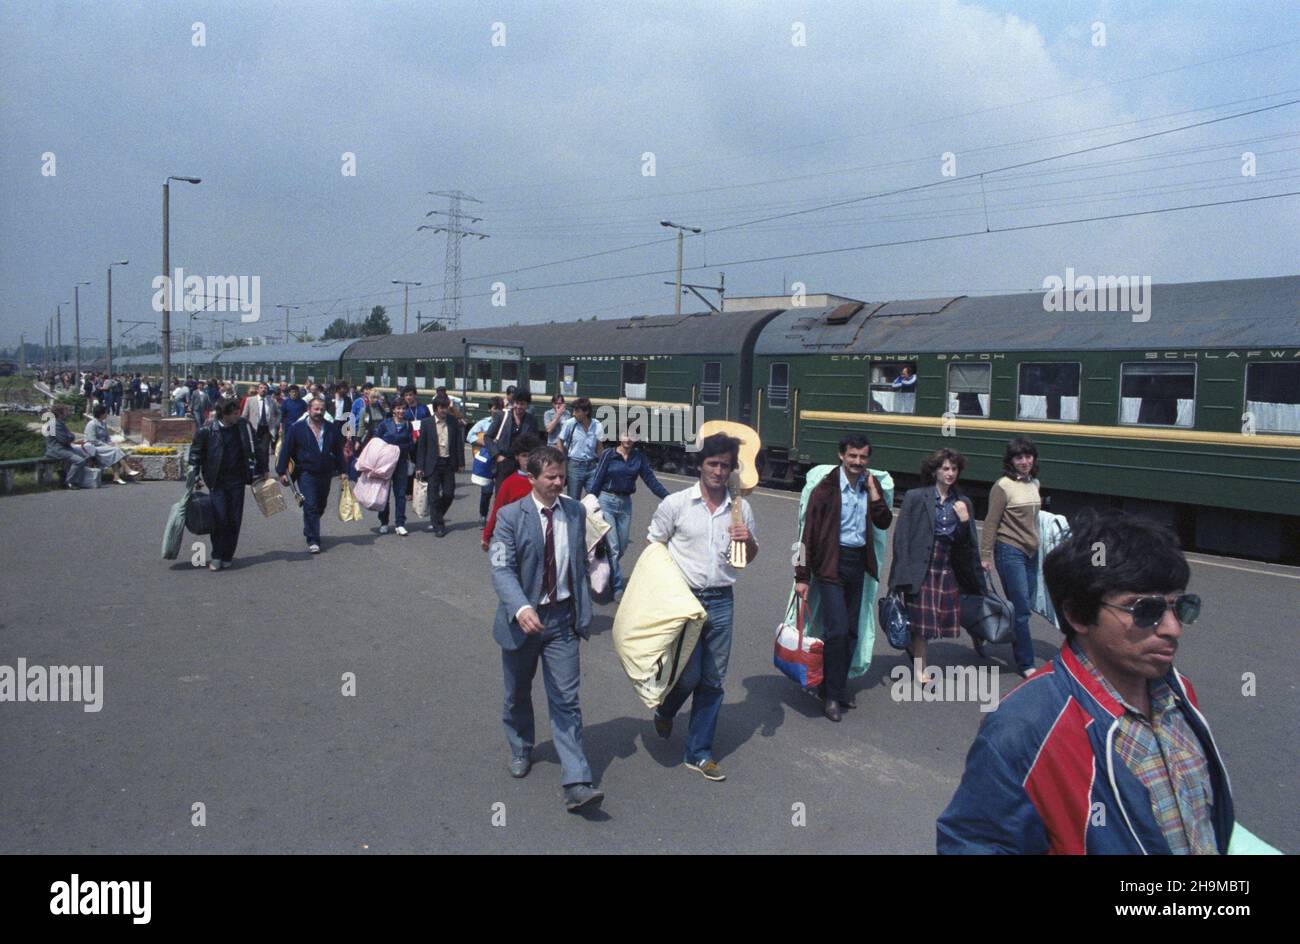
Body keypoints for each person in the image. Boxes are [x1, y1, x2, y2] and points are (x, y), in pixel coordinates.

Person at [937, 509, 1231, 855]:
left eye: (1180, 606)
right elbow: (973, 844)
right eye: (1145, 610)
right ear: (1077, 614)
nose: (1172, 628)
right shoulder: (1023, 727)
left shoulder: (1178, 692)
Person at [488, 444, 603, 813]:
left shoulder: (575, 511)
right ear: (532, 478)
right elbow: (500, 567)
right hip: (523, 622)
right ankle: (521, 747)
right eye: (551, 477)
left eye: (562, 475)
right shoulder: (509, 516)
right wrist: (520, 606)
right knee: (517, 692)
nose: (559, 482)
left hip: (562, 620)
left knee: (567, 700)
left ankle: (577, 780)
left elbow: (584, 561)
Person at [646, 432, 757, 782]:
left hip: (722, 600)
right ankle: (666, 708)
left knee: (713, 680)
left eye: (725, 465)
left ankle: (699, 753)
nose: (719, 471)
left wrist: (748, 542)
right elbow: (654, 550)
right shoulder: (676, 505)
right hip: (684, 601)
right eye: (713, 463)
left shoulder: (741, 509)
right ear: (700, 465)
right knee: (688, 673)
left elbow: (746, 559)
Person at [794, 433, 892, 721]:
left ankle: (832, 687)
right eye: (852, 456)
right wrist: (801, 575)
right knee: (836, 630)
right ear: (841, 455)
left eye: (863, 457)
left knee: (851, 631)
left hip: (857, 563)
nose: (857, 462)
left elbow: (884, 522)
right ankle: (831, 696)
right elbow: (805, 534)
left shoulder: (867, 486)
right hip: (830, 564)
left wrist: (874, 491)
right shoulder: (825, 489)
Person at [888, 448, 983, 673]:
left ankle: (912, 648)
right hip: (921, 567)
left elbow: (967, 543)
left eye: (954, 469)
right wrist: (900, 575)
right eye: (945, 468)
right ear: (935, 472)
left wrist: (964, 520)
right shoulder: (915, 497)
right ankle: (921, 669)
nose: (950, 473)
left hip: (946, 567)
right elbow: (901, 538)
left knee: (934, 620)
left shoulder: (963, 502)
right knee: (923, 624)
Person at [981, 436, 1043, 678]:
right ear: (1011, 461)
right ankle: (1026, 662)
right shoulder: (1002, 486)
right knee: (1021, 610)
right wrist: (985, 555)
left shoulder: (1034, 483)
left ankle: (989, 628)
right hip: (1010, 550)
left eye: (1028, 456)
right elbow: (990, 523)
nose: (1025, 461)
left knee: (1024, 604)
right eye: (1019, 457)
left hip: (1031, 551)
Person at [585, 432, 668, 599]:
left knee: (622, 546)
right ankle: (616, 587)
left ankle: (607, 569)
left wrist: (669, 497)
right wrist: (590, 501)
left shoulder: (639, 458)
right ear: (619, 436)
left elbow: (651, 481)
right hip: (606, 501)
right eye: (625, 434)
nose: (628, 439)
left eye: (632, 435)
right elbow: (598, 478)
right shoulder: (609, 454)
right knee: (614, 547)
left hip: (625, 505)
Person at [188, 398, 259, 571]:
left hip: (237, 480)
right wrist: (194, 475)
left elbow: (256, 447)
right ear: (224, 415)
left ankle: (228, 554)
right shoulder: (207, 430)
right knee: (219, 518)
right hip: (217, 480)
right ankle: (217, 555)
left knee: (234, 519)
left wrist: (261, 470)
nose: (238, 415)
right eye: (234, 413)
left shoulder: (243, 426)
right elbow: (195, 454)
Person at [277, 396, 347, 554]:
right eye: (316, 409)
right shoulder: (297, 428)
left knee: (320, 505)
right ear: (308, 410)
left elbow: (338, 451)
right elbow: (286, 450)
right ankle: (313, 540)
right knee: (311, 505)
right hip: (306, 472)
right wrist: (282, 472)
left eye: (322, 409)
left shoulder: (331, 428)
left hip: (325, 472)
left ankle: (309, 527)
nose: (319, 412)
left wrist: (343, 470)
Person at [414, 396, 464, 537]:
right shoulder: (427, 423)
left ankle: (437, 516)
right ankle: (439, 526)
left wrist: (461, 462)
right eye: (441, 408)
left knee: (449, 494)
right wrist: (419, 466)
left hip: (448, 462)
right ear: (436, 408)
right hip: (432, 464)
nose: (444, 410)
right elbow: (421, 447)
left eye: (446, 407)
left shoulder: (452, 421)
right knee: (433, 496)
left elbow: (458, 443)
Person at [482, 434, 542, 549]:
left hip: (539, 533)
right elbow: (497, 510)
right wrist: (486, 535)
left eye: (531, 455)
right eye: (524, 456)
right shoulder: (509, 483)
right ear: (516, 457)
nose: (528, 459)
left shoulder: (543, 480)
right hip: (515, 534)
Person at [485, 389, 541, 486]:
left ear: (527, 405)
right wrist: (497, 456)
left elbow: (535, 443)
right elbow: (488, 437)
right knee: (501, 495)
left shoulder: (532, 420)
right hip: (504, 462)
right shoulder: (502, 416)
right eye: (517, 403)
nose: (519, 407)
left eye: (522, 404)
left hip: (522, 465)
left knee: (521, 495)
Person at [375, 399, 413, 535]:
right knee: (384, 494)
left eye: (403, 409)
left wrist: (399, 448)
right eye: (398, 408)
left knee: (400, 494)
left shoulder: (408, 425)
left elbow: (411, 444)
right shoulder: (385, 424)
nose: (401, 411)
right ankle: (384, 522)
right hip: (386, 463)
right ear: (393, 410)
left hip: (401, 463)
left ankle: (400, 523)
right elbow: (376, 441)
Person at [467, 397, 505, 525]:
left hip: (501, 461)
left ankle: (498, 518)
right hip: (487, 462)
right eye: (495, 409)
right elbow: (470, 436)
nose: (497, 411)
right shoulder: (484, 423)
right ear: (490, 409)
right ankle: (483, 515)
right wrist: (486, 443)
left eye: (499, 408)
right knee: (486, 491)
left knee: (500, 492)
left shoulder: (506, 423)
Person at [557, 397, 602, 501]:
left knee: (594, 499)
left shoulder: (597, 425)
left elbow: (599, 448)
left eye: (577, 411)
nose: (573, 414)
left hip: (592, 466)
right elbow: (559, 441)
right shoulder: (570, 424)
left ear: (586, 412)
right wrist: (562, 461)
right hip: (575, 465)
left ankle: (587, 517)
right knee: (573, 500)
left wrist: (602, 465)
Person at [83, 404, 140, 485]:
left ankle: (116, 477)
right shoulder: (92, 424)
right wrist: (106, 445)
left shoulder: (103, 423)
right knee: (115, 450)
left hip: (104, 447)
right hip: (94, 447)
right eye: (106, 413)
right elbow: (92, 440)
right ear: (101, 414)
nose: (107, 415)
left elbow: (107, 438)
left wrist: (110, 444)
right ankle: (127, 470)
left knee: (115, 451)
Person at [43, 405, 90, 488]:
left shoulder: (59, 423)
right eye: (66, 411)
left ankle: (66, 478)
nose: (68, 413)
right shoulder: (55, 424)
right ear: (60, 413)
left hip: (63, 449)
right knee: (80, 461)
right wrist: (71, 437)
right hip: (57, 450)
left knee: (84, 456)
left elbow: (69, 436)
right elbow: (64, 439)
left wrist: (70, 436)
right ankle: (69, 481)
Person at [241, 382, 281, 475]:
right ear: (258, 390)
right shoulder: (250, 400)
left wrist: (276, 423)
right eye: (261, 388)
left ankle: (265, 470)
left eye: (265, 388)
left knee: (264, 450)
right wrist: (244, 427)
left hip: (266, 429)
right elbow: (244, 415)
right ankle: (252, 469)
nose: (263, 390)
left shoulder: (271, 401)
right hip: (254, 429)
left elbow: (279, 413)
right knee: (252, 449)